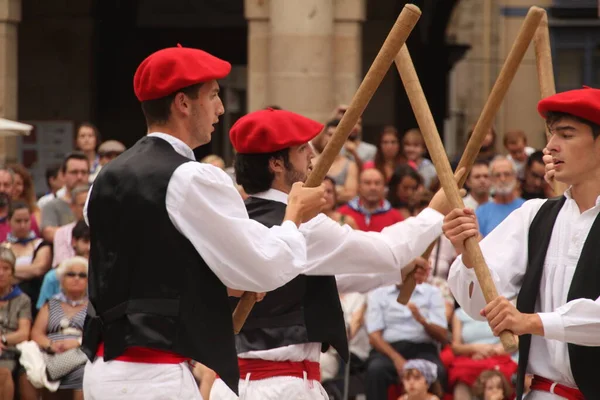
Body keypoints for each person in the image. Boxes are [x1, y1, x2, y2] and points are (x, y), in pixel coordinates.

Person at [81, 45, 327, 400]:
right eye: (213, 95)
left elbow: (148, 271)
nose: (221, 108)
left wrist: (221, 285)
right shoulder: (190, 177)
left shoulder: (106, 177)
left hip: (102, 372)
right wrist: (294, 214)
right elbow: (263, 268)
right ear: (183, 103)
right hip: (154, 377)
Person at [209, 108, 458, 400]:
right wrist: (433, 213)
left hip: (232, 387)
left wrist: (394, 273)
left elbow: (315, 280)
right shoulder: (303, 225)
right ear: (276, 163)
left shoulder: (232, 219)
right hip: (283, 386)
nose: (312, 157)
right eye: (302, 149)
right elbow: (388, 250)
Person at [444, 87, 600, 399]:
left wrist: (531, 322)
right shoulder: (534, 215)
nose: (551, 147)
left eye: (566, 135)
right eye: (552, 134)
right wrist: (468, 254)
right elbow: (477, 306)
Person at [32, 256, 89, 400]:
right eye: (71, 274)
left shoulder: (93, 307)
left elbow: (99, 333)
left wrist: (77, 342)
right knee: (29, 372)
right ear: (61, 279)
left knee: (84, 372)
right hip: (51, 354)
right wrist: (51, 345)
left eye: (82, 275)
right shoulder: (51, 304)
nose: (76, 278)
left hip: (80, 355)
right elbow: (37, 333)